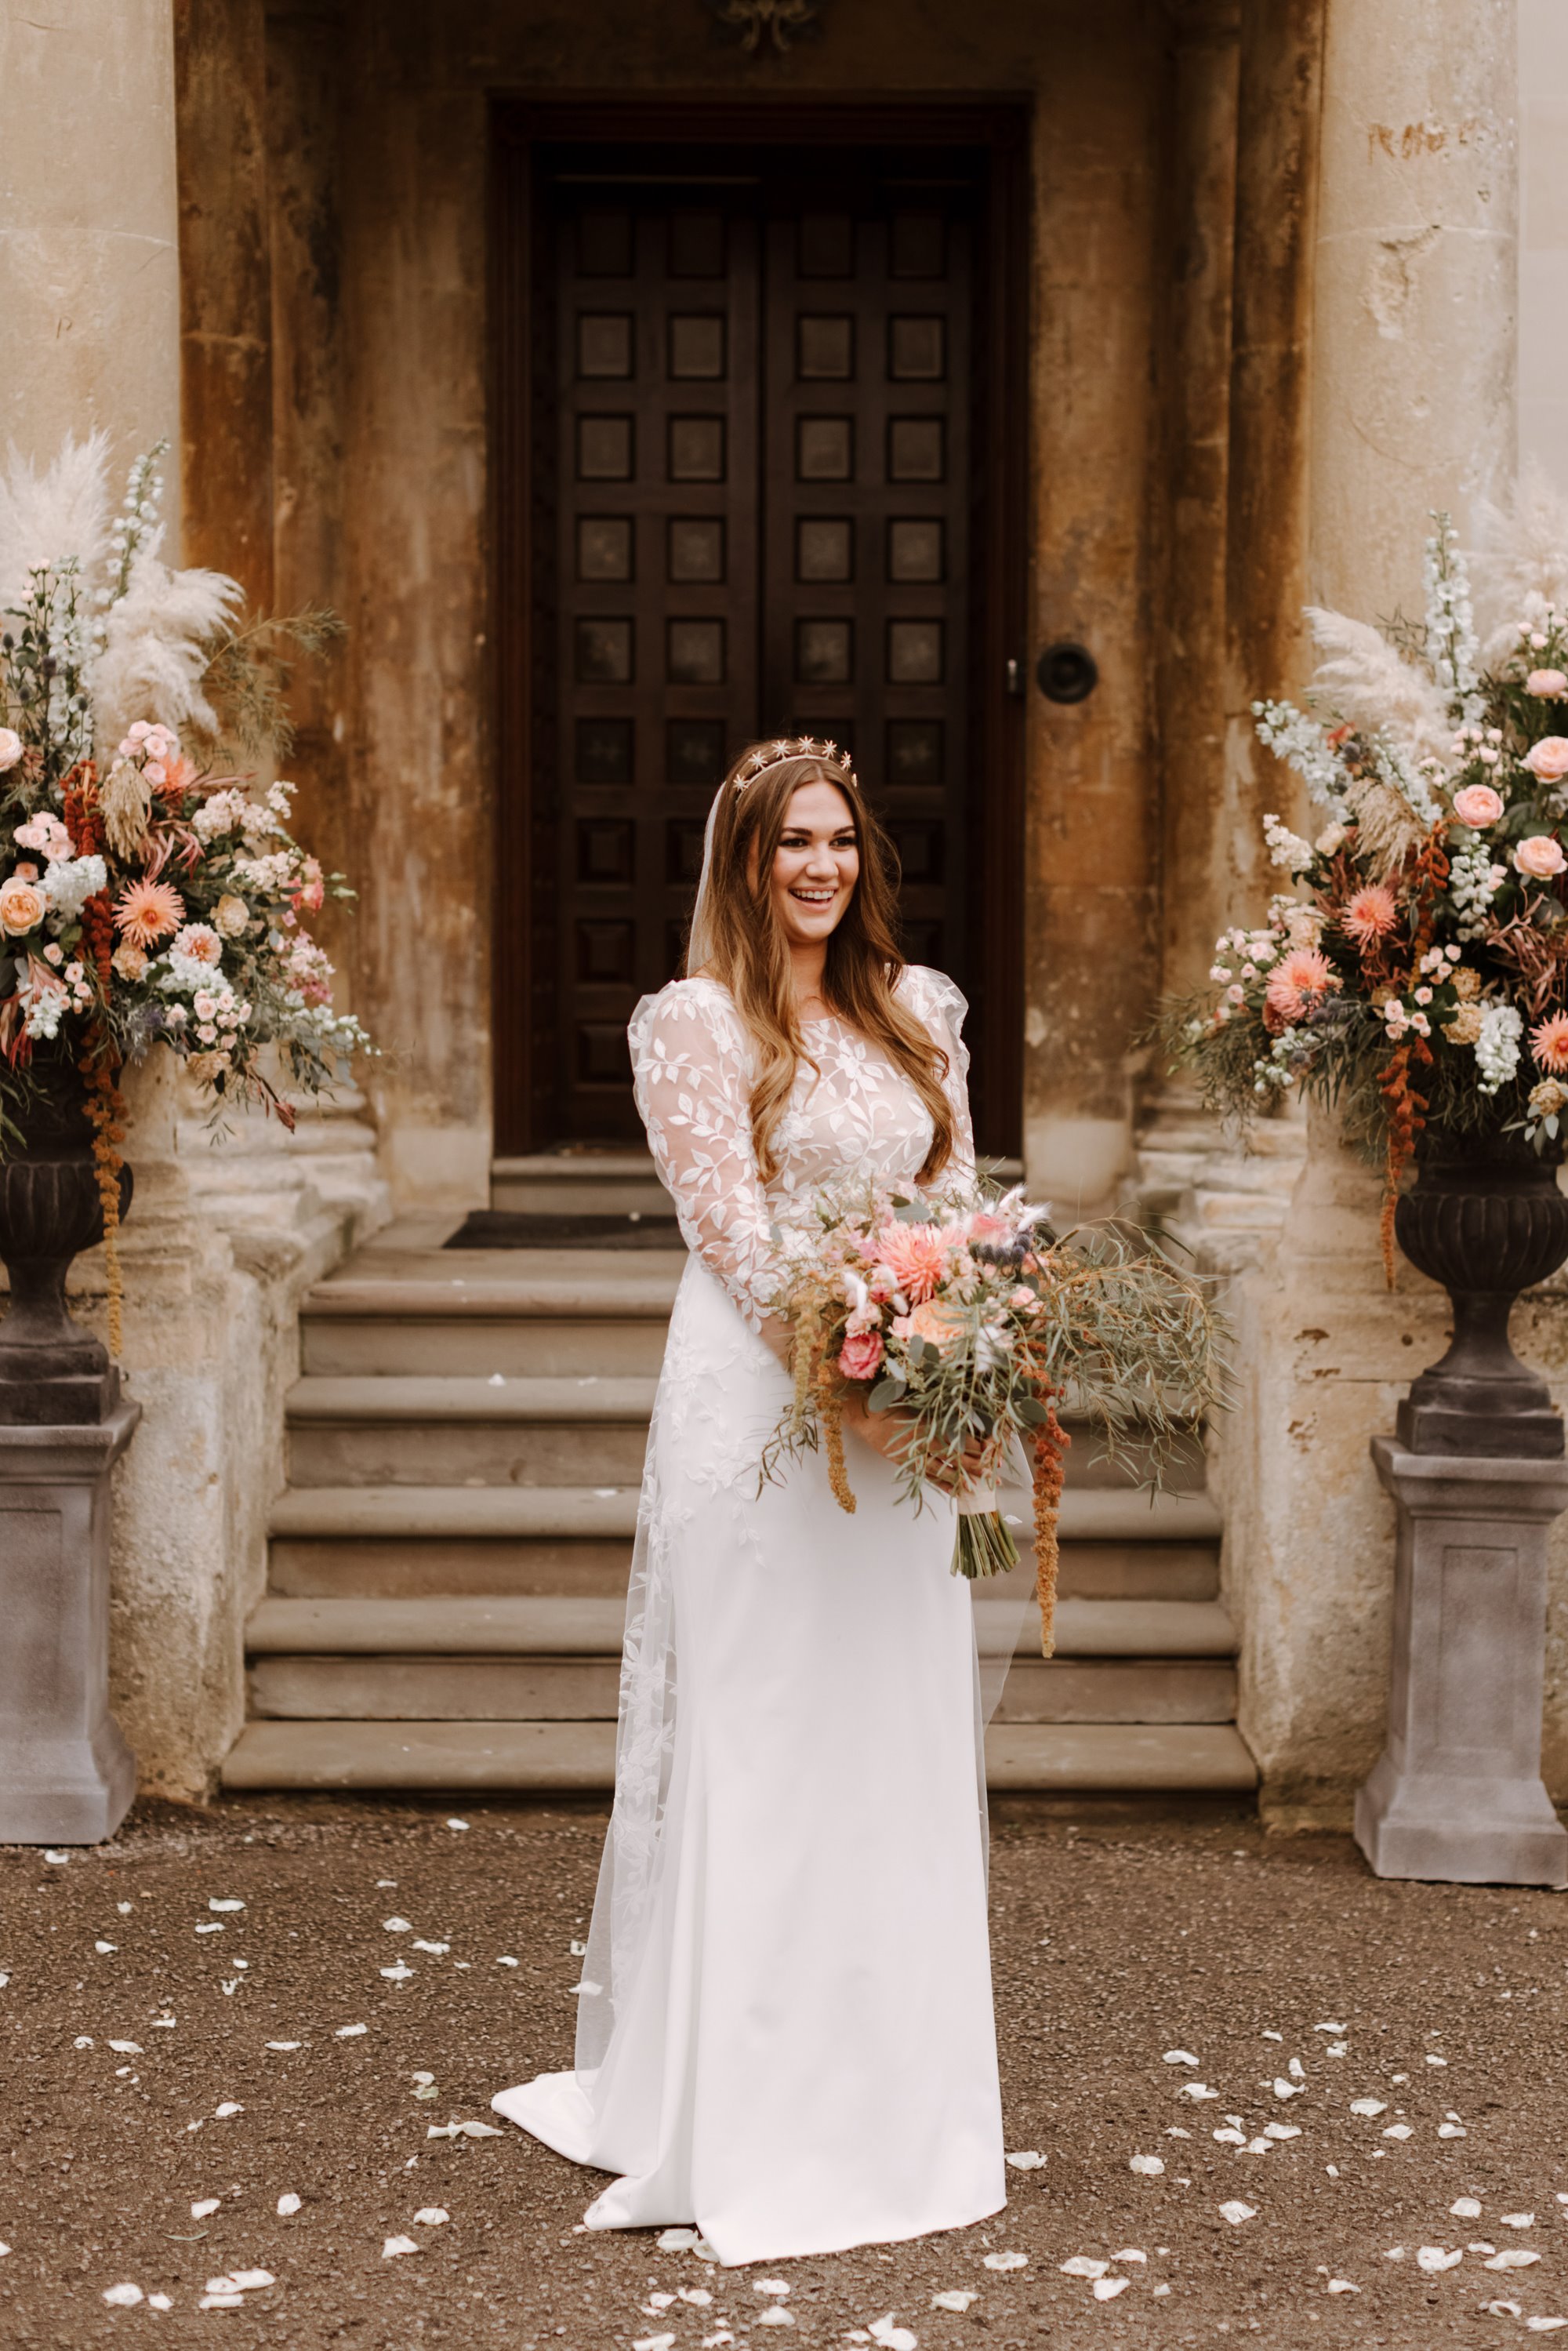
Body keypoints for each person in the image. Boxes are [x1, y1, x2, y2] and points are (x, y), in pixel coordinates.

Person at [492, 737, 1021, 2266]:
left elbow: (962, 1200)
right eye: (792, 840)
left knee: (889, 1731)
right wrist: (844, 1350)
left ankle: (897, 2096)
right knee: (771, 1725)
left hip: (903, 1411)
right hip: (761, 1411)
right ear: (743, 856)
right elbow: (727, 1228)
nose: (820, 865)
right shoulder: (695, 1024)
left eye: (839, 839)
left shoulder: (918, 1012)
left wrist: (959, 1343)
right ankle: (748, 2105)